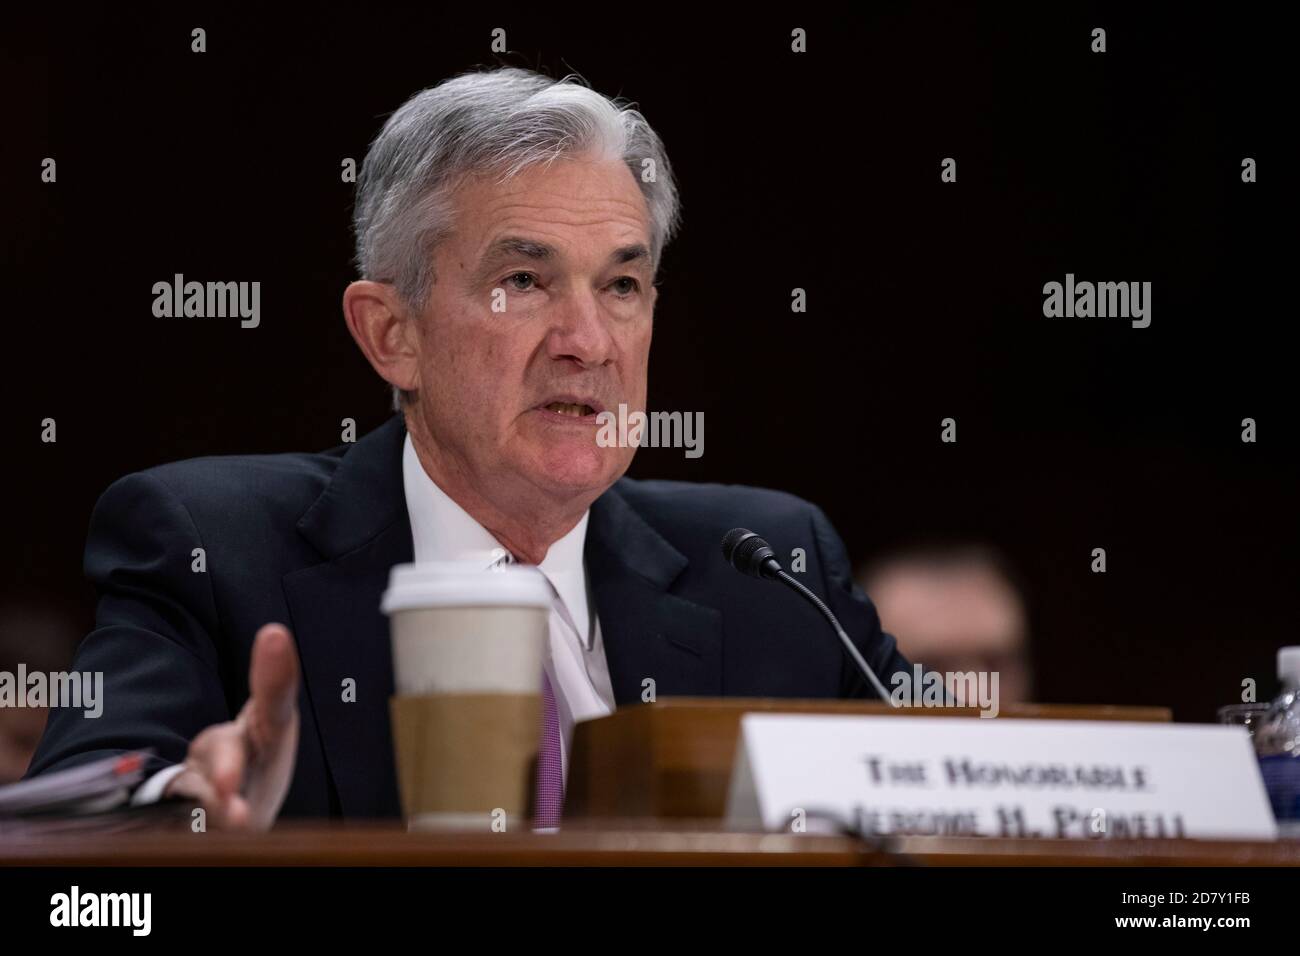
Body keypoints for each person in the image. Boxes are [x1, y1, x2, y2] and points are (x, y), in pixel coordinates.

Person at [27, 67, 909, 829]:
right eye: (522, 281)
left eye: (622, 285)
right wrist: (183, 814)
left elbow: (969, 795)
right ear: (391, 334)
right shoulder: (213, 551)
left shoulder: (772, 571)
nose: (588, 340)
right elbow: (71, 847)